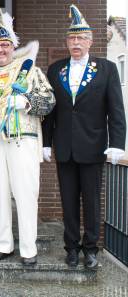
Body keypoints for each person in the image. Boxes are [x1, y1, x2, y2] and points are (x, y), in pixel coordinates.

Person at [42, 5, 126, 269]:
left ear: (90, 41)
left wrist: (117, 144)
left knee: (91, 201)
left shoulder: (107, 69)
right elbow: (50, 110)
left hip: (93, 147)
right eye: (71, 38)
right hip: (64, 147)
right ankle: (71, 248)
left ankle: (91, 249)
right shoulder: (55, 70)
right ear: (67, 42)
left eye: (81, 38)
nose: (76, 43)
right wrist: (45, 142)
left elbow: (116, 110)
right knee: (68, 201)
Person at [0, 6, 55, 266]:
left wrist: (27, 101)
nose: (0, 50)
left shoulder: (29, 69)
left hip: (24, 139)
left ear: (12, 46)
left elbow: (49, 101)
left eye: (5, 45)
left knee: (25, 192)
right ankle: (4, 244)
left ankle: (29, 249)